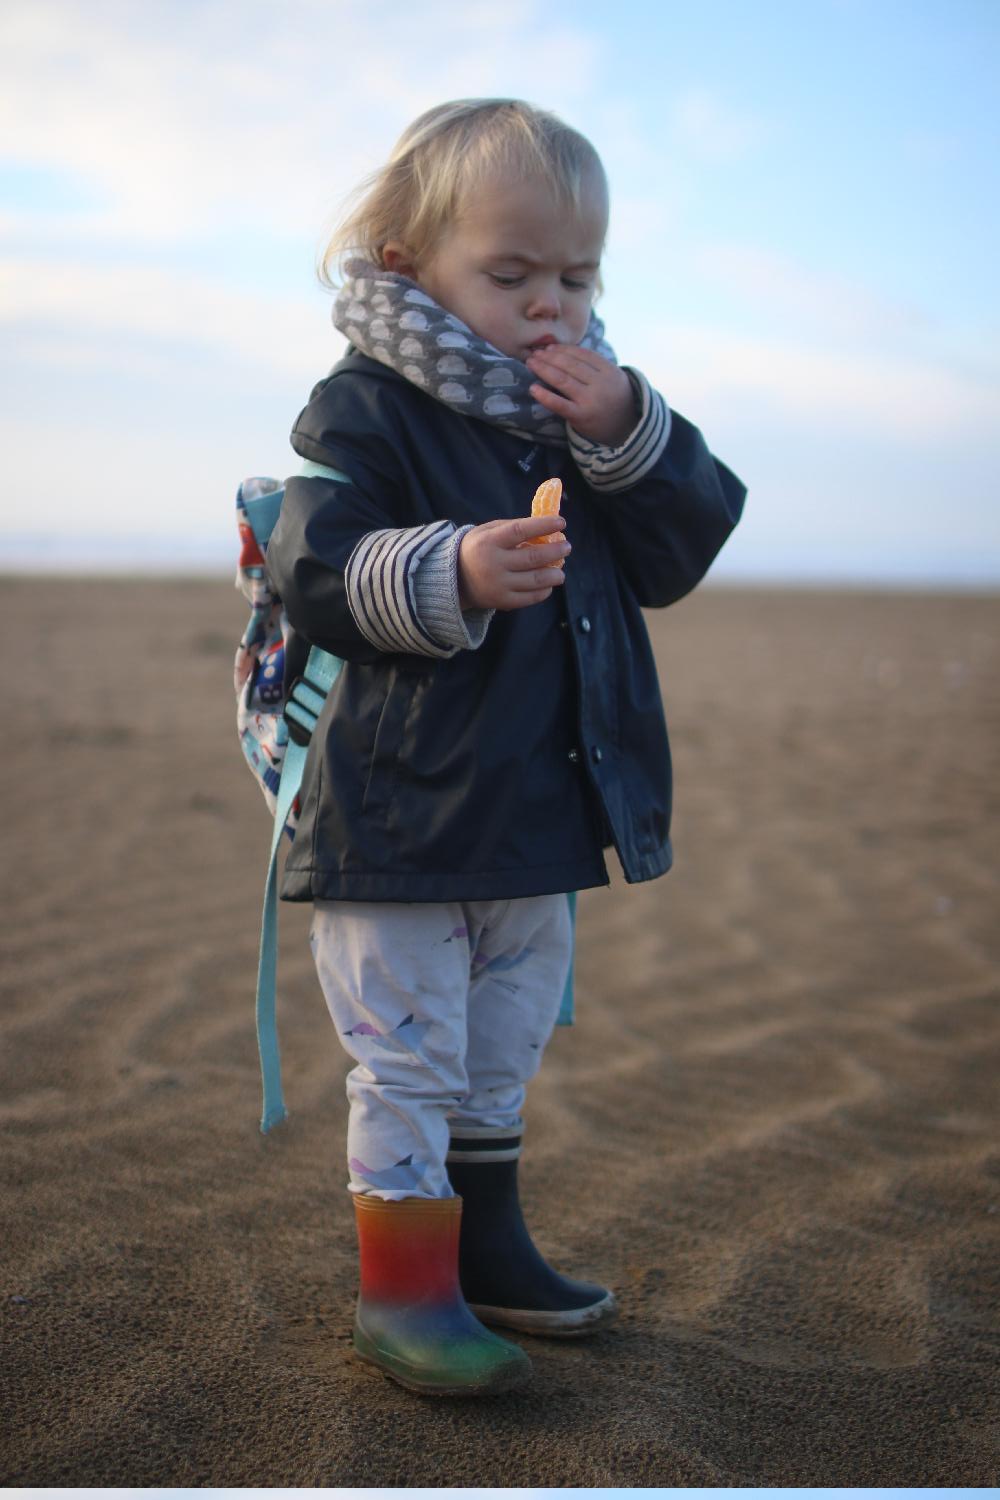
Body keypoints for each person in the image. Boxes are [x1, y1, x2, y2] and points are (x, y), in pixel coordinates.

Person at [266, 98, 746, 1396]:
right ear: (414, 265)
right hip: (402, 812)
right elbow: (314, 562)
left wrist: (623, 428)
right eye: (513, 272)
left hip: (535, 804)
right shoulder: (368, 404)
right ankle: (406, 1291)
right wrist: (456, 566)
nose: (552, 306)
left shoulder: (579, 410)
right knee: (410, 1054)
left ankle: (493, 1249)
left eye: (577, 278)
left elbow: (676, 555)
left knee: (505, 1037)